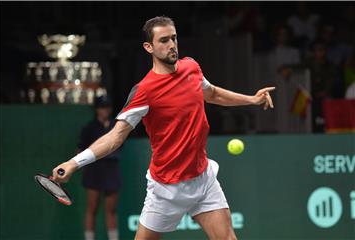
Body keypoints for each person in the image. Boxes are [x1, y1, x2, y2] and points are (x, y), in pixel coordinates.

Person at [52, 16, 275, 240]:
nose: (171, 45)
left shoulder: (192, 68)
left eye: (174, 38)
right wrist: (74, 163)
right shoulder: (144, 91)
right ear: (149, 47)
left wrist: (252, 99)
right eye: (164, 40)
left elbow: (213, 93)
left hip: (202, 178)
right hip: (166, 188)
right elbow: (115, 137)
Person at [78, 96, 121, 240]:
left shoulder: (116, 126)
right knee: (92, 208)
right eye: (102, 107)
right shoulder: (89, 128)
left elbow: (120, 145)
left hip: (111, 171)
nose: (105, 110)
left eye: (108, 107)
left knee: (111, 210)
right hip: (94, 172)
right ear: (97, 109)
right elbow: (80, 152)